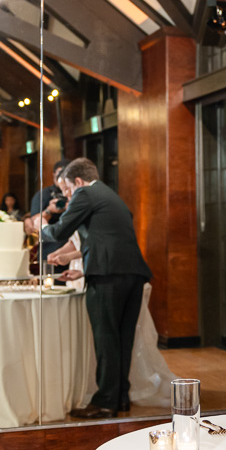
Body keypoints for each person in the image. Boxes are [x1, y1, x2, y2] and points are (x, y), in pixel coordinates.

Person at [30, 158, 151, 418]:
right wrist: (84, 269)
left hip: (108, 277)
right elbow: (107, 240)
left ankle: (105, 401)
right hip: (132, 274)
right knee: (122, 339)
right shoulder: (111, 196)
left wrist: (41, 227)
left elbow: (61, 231)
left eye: (66, 190)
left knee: (106, 339)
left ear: (78, 181)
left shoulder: (85, 193)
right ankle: (120, 398)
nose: (67, 197)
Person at [31, 159, 70, 266]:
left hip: (70, 249)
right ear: (54, 175)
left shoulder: (74, 195)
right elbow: (35, 223)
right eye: (59, 173)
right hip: (49, 247)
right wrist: (49, 210)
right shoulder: (43, 195)